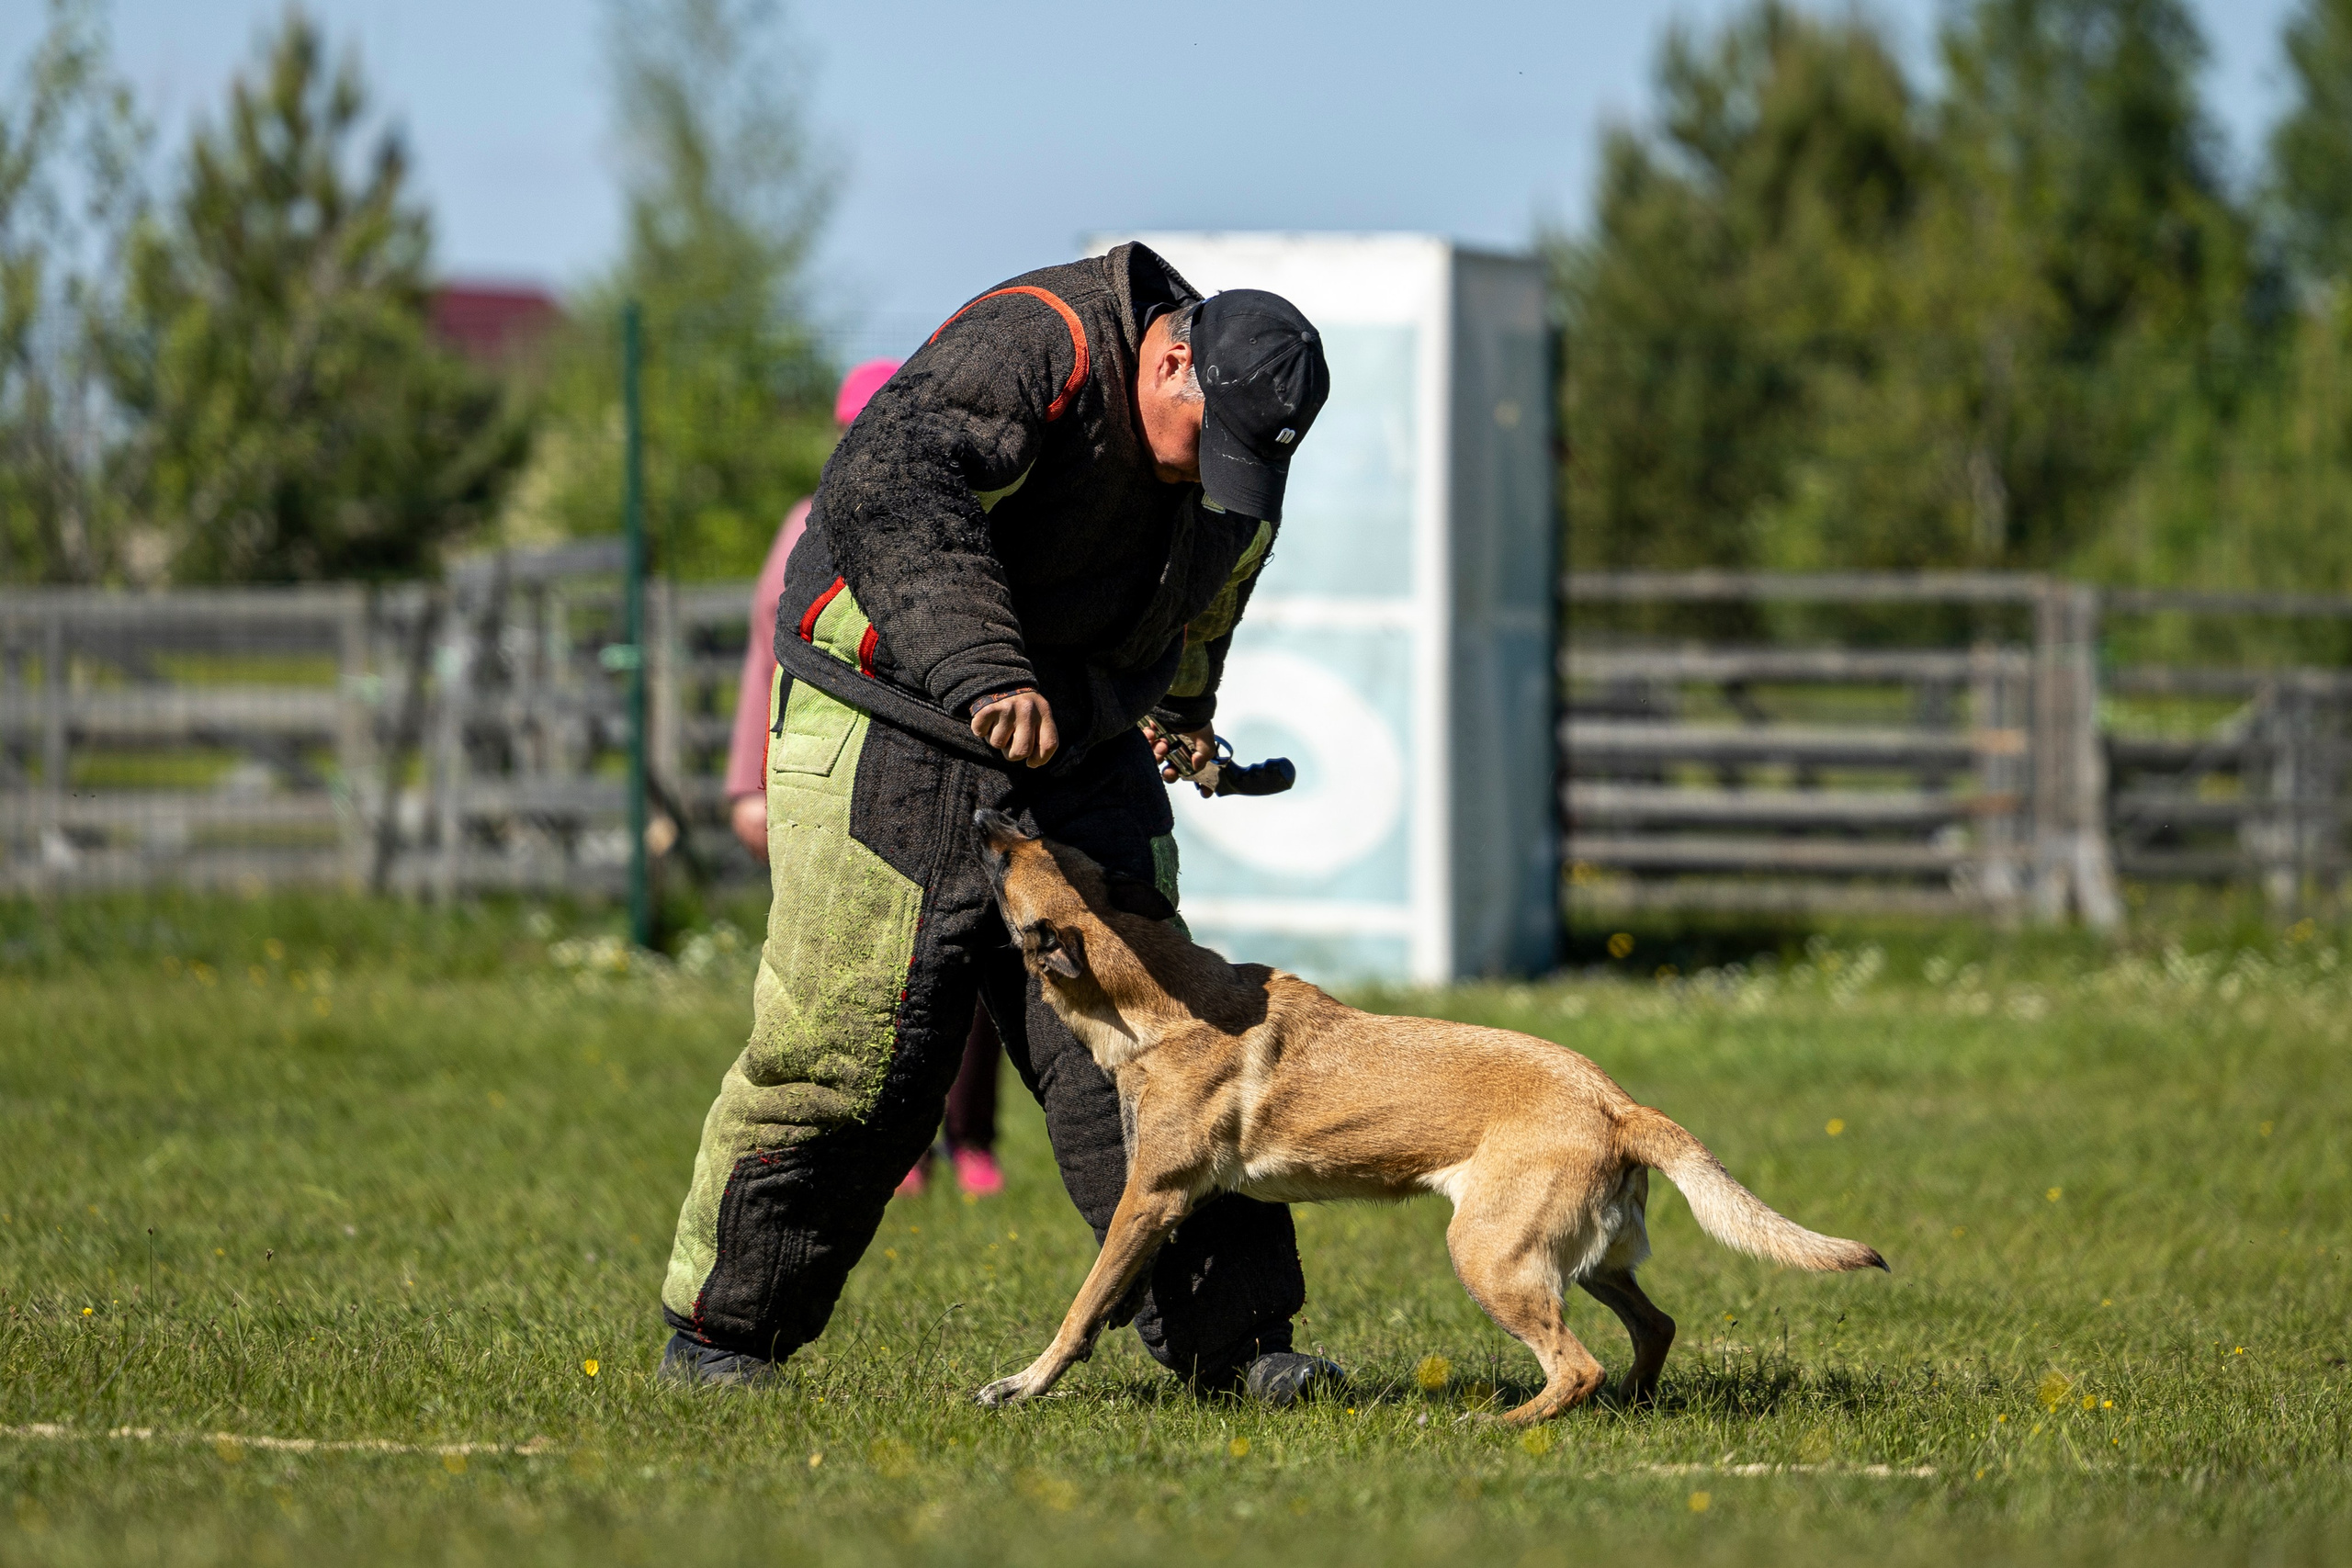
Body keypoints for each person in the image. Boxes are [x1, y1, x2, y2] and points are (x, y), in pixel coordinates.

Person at [658, 241, 1339, 1406]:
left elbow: (1209, 586)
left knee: (1167, 1043)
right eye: (1202, 448)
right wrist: (981, 666)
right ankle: (724, 1338)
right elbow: (888, 481)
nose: (1205, 479)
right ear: (1171, 360)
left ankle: (1238, 1345)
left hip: (1076, 736)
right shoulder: (1039, 341)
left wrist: (1182, 711)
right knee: (864, 1045)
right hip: (891, 716)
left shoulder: (1225, 463)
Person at [722, 360, 1007, 1201]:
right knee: (862, 968)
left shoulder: (960, 526)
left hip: (940, 768)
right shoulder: (804, 525)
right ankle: (899, 1148)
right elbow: (763, 659)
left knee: (971, 965)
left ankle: (973, 1135)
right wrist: (751, 780)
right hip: (828, 767)